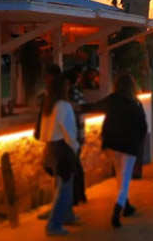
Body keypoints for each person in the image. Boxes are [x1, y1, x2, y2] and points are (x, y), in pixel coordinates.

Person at [89, 73, 148, 228]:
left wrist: (78, 106)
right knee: (125, 178)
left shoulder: (113, 99)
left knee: (120, 174)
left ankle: (126, 204)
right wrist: (138, 141)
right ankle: (117, 210)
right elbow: (143, 126)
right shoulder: (135, 103)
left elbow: (96, 106)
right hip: (129, 145)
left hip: (112, 144)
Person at [38, 74, 79, 236]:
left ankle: (67, 215)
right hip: (63, 149)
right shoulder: (64, 106)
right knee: (64, 188)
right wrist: (75, 147)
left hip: (50, 148)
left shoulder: (48, 105)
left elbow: (43, 130)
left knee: (61, 185)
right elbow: (69, 130)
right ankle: (54, 225)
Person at [67, 67, 87, 206]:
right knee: (76, 164)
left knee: (72, 165)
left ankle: (75, 196)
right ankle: (80, 194)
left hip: (74, 134)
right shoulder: (78, 93)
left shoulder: (70, 95)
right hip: (80, 134)